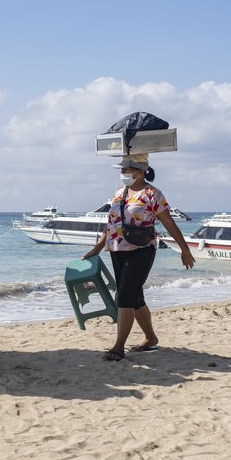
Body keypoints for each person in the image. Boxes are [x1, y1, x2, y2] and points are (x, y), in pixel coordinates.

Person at [83, 154, 195, 361]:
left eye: (126, 170)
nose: (122, 173)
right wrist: (98, 247)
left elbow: (169, 223)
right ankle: (151, 338)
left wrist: (184, 250)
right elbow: (111, 223)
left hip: (142, 250)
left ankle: (118, 347)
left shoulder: (153, 194)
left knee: (124, 296)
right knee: (135, 298)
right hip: (117, 249)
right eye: (122, 169)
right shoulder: (119, 192)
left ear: (140, 172)